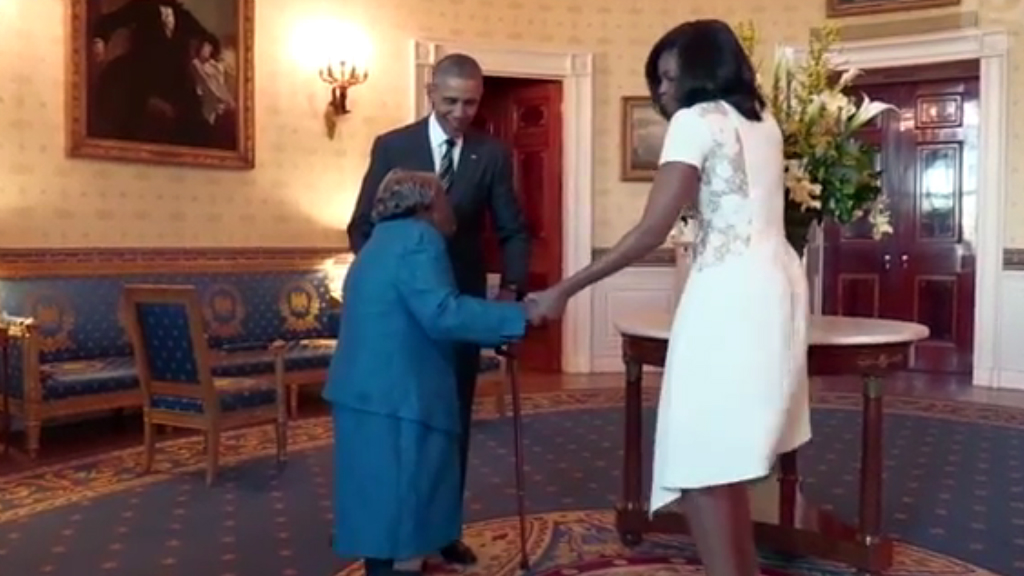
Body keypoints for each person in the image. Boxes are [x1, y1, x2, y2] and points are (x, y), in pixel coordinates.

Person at [527, 20, 811, 576]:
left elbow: (650, 230)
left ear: (702, 70)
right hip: (775, 286)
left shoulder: (694, 121)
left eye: (668, 76)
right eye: (657, 79)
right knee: (724, 458)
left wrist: (564, 289)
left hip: (727, 294)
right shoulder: (763, 120)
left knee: (697, 455)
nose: (661, 90)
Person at [346, 52, 530, 566]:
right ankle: (393, 538)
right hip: (402, 316)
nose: (460, 113)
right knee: (401, 424)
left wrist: (510, 290)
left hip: (458, 308)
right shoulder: (393, 146)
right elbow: (361, 225)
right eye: (450, 101)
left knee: (452, 420)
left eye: (470, 103)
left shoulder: (491, 154)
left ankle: (444, 529)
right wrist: (389, 282)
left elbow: (513, 230)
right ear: (431, 94)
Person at [326, 170, 538, 576]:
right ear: (425, 205)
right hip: (398, 395)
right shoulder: (418, 239)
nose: (451, 207)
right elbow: (442, 313)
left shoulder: (380, 242)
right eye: (444, 198)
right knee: (403, 501)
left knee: (378, 500)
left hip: (364, 390)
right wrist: (518, 316)